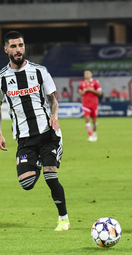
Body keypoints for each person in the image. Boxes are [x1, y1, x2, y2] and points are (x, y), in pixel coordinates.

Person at [0, 31, 70, 231]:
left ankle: (63, 219)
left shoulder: (39, 71)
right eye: (13, 46)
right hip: (24, 138)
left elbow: (52, 97)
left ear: (24, 47)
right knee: (27, 183)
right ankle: (37, 159)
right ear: (6, 50)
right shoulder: (2, 78)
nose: (18, 50)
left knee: (50, 174)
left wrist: (54, 116)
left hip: (48, 133)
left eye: (20, 45)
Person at [78, 70, 102, 142]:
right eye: (85, 73)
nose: (86, 75)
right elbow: (80, 92)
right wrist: (83, 92)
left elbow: (99, 92)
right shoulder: (82, 83)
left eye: (87, 73)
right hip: (85, 104)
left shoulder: (95, 82)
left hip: (94, 104)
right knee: (87, 119)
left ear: (91, 74)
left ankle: (94, 132)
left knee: (94, 121)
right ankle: (90, 136)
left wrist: (91, 90)